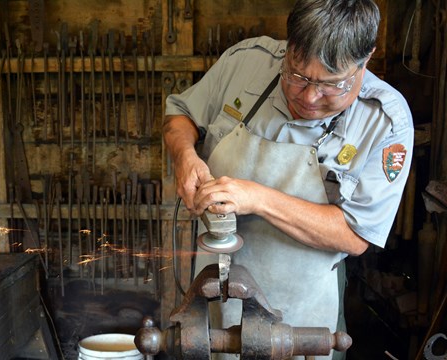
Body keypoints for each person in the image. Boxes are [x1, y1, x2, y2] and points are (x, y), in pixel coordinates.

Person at [164, 0, 414, 359]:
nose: (310, 97)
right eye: (297, 76)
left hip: (302, 317)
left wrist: (257, 199)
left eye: (332, 85)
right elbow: (180, 113)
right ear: (287, 47)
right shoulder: (245, 62)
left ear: (366, 60)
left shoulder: (384, 122)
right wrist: (185, 156)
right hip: (211, 304)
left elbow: (356, 235)